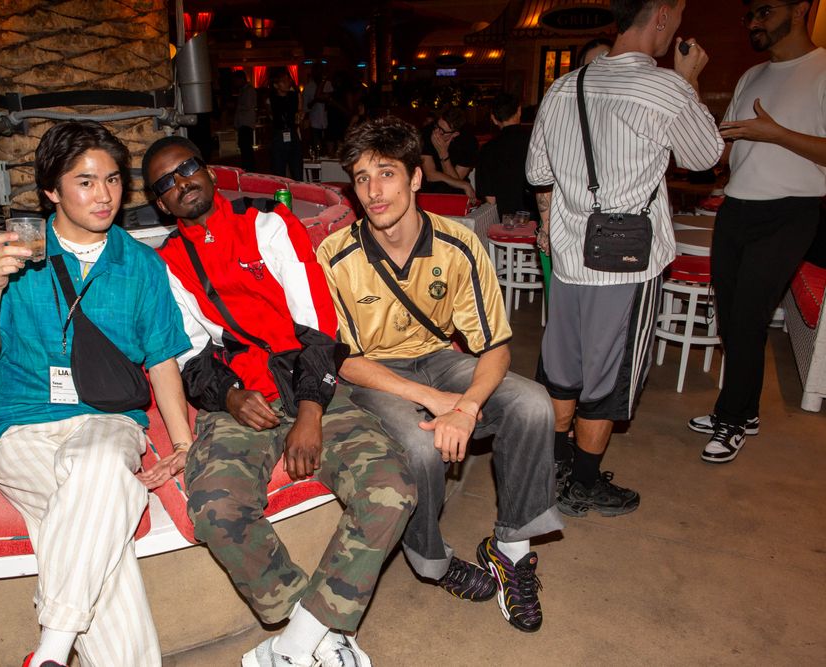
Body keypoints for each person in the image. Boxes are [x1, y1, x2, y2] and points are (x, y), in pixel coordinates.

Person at [142, 135, 416, 667]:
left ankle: (293, 645)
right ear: (161, 204)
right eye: (166, 183)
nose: (182, 183)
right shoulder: (168, 264)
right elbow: (191, 358)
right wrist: (230, 396)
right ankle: (313, 630)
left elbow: (319, 328)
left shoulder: (268, 224)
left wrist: (310, 413)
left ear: (209, 172)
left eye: (188, 168)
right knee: (215, 508)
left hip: (311, 389)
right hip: (240, 402)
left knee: (393, 487)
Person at [0, 121, 193, 667]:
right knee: (107, 508)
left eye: (112, 179)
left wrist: (181, 443)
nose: (104, 195)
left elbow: (162, 359)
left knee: (101, 469)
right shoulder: (12, 256)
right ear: (51, 191)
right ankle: (57, 652)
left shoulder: (141, 265)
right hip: (17, 422)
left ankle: (52, 649)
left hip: (107, 416)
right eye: (85, 182)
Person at [317, 117, 564, 633]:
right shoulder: (335, 257)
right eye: (362, 178)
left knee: (532, 403)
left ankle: (512, 551)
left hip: (436, 356)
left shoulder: (459, 243)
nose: (374, 191)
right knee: (419, 443)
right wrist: (432, 399)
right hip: (372, 373)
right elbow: (343, 359)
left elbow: (494, 345)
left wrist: (467, 405)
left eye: (386, 174)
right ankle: (431, 558)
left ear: (415, 177)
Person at [527, 0, 723, 516]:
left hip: (569, 254)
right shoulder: (665, 88)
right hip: (626, 261)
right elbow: (704, 156)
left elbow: (539, 173)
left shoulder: (564, 86)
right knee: (607, 375)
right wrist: (688, 79)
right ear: (661, 16)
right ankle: (584, 483)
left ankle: (553, 469)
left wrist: (554, 223)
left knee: (562, 367)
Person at [691, 0, 826, 463]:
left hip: (791, 210)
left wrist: (776, 133)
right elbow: (724, 151)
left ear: (800, 8)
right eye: (748, 15)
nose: (753, 22)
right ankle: (743, 411)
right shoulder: (752, 74)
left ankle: (730, 419)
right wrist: (691, 91)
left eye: (764, 11)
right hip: (736, 207)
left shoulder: (822, 69)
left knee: (749, 316)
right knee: (731, 318)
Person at [475, 92, 536, 216]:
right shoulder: (535, 143)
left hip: (503, 220)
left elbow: (490, 199)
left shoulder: (487, 150)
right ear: (519, 111)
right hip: (534, 218)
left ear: (493, 119)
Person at [419, 107, 479, 200]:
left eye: (442, 131)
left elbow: (456, 182)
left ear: (455, 134)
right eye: (437, 126)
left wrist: (443, 155)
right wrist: (463, 184)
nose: (437, 132)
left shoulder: (469, 142)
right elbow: (430, 175)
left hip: (455, 194)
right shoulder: (427, 133)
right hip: (429, 191)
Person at [269, 69, 304, 180]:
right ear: (276, 85)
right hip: (279, 135)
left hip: (292, 133)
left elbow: (300, 112)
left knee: (297, 171)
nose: (287, 82)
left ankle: (298, 189)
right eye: (283, 81)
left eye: (288, 80)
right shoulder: (271, 99)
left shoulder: (294, 96)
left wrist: (300, 116)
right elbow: (271, 116)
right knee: (279, 172)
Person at [303, 65, 332, 160]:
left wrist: (322, 99)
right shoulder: (308, 87)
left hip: (327, 120)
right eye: (317, 71)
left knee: (328, 147)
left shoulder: (328, 84)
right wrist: (316, 100)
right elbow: (306, 106)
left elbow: (329, 100)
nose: (319, 74)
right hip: (315, 121)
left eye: (321, 71)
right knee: (316, 146)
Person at [233, 70, 257, 172]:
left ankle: (249, 168)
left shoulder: (249, 90)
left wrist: (236, 106)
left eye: (236, 80)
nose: (235, 83)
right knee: (244, 146)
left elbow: (248, 105)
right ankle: (247, 167)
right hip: (244, 123)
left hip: (246, 123)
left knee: (246, 147)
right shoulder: (243, 90)